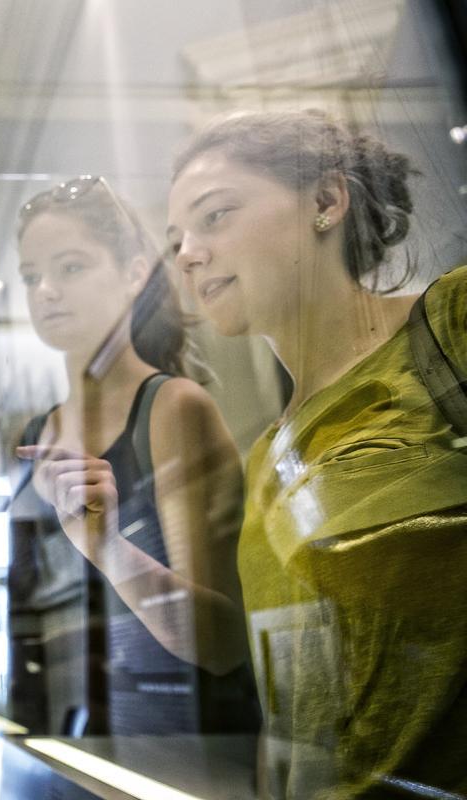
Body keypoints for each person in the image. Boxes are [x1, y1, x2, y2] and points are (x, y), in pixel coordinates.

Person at [166, 109, 467, 797]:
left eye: (214, 216)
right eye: (177, 237)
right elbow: (297, 703)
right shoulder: (268, 455)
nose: (186, 253)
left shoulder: (452, 323)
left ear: (327, 202)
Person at [11, 176, 260, 736]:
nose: (45, 290)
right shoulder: (35, 433)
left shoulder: (172, 409)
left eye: (70, 267)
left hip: (186, 748)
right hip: (72, 740)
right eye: (31, 276)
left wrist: (109, 548)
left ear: (133, 273)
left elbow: (223, 642)